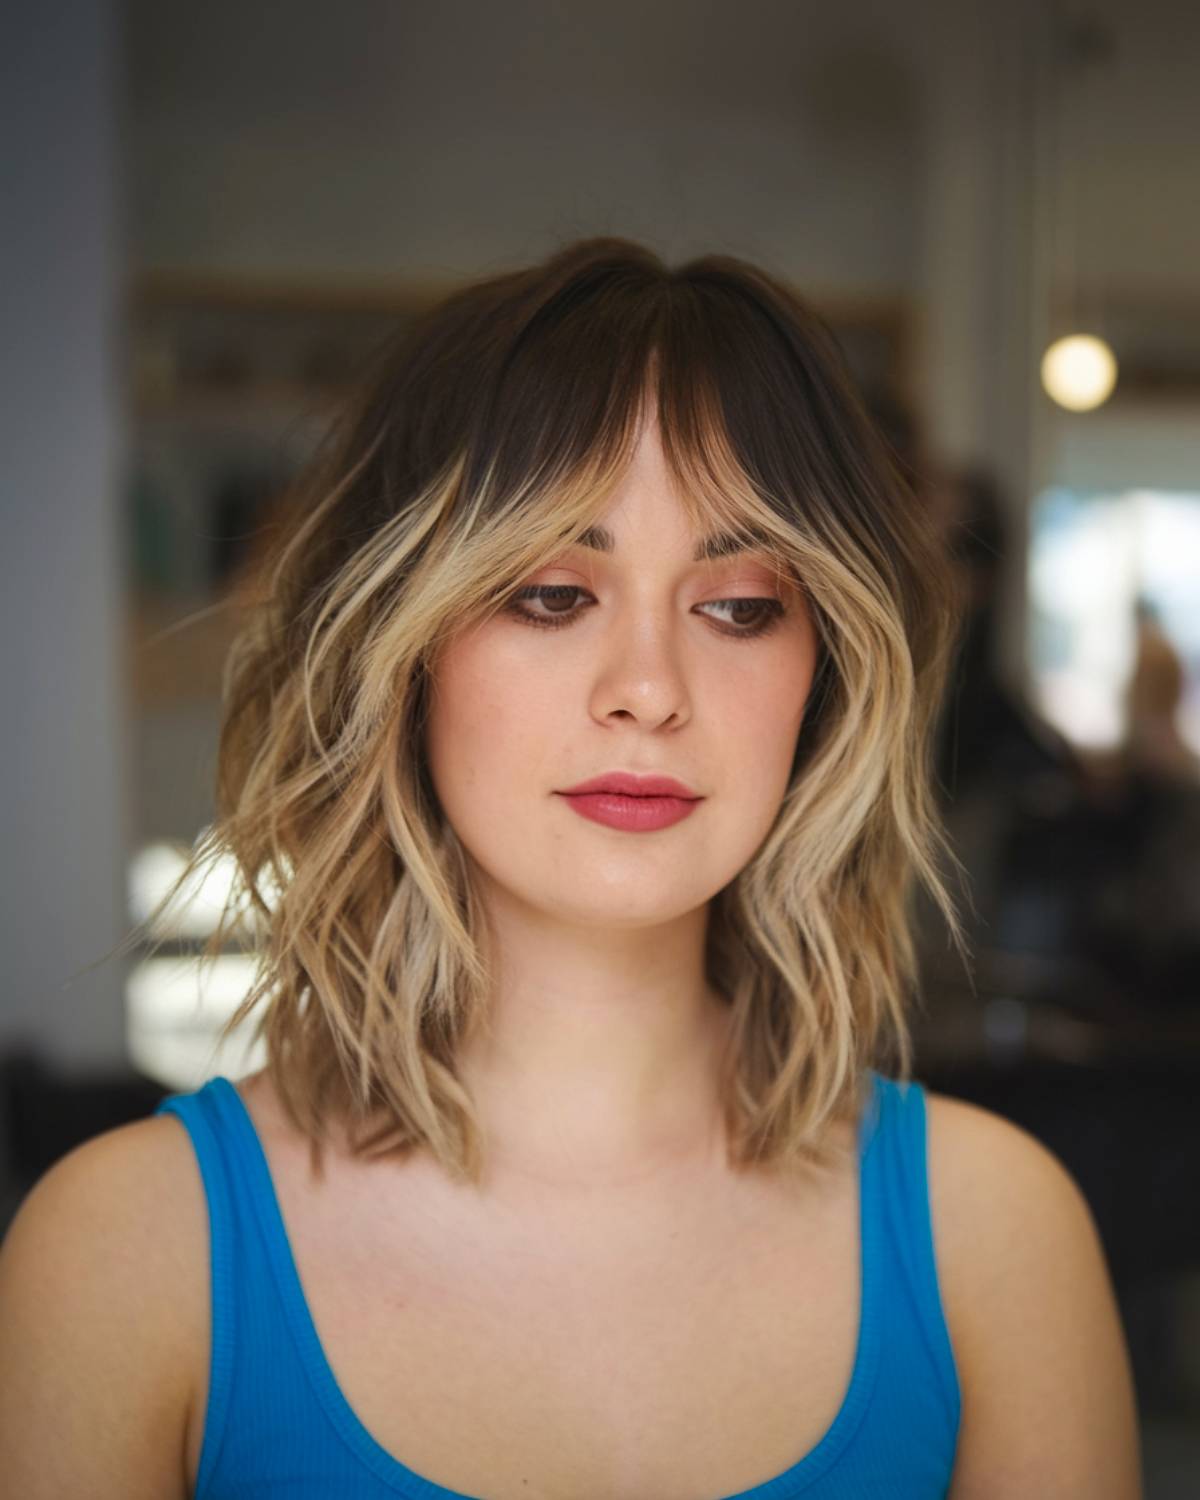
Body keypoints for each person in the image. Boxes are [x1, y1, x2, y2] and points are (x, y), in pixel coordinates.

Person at [0, 237, 1141, 1498]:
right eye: (550, 593)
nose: (648, 689)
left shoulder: (997, 1239)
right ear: (403, 645)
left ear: (824, 679)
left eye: (741, 604)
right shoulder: (124, 1256)